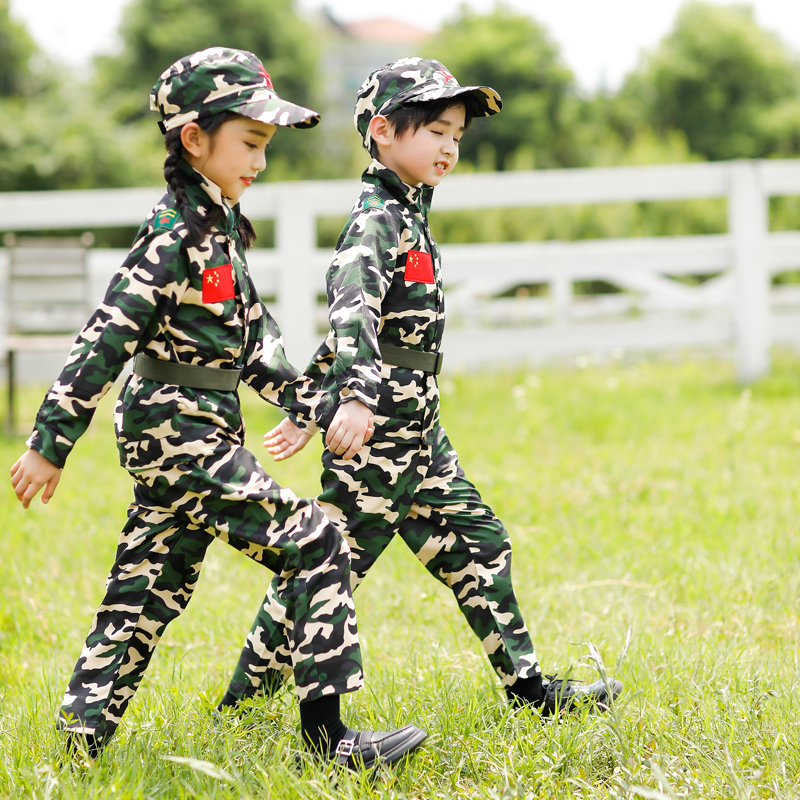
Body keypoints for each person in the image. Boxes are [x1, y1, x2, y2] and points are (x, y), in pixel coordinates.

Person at [8, 47, 428, 770]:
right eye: (251, 143)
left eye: (266, 146)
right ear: (193, 140)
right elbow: (102, 339)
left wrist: (321, 407)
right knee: (317, 542)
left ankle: (78, 743)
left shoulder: (219, 231)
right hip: (178, 436)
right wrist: (51, 441)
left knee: (147, 588)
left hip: (191, 433)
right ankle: (330, 742)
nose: (260, 162)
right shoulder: (173, 236)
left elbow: (255, 349)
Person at [216, 57, 623, 718]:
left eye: (456, 134)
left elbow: (362, 328)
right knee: (327, 573)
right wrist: (346, 400)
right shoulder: (376, 220)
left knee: (480, 542)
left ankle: (529, 692)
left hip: (419, 434)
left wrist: (312, 393)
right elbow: (351, 312)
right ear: (382, 130)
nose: (449, 145)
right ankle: (241, 705)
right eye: (435, 129)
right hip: (377, 438)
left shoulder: (409, 215)